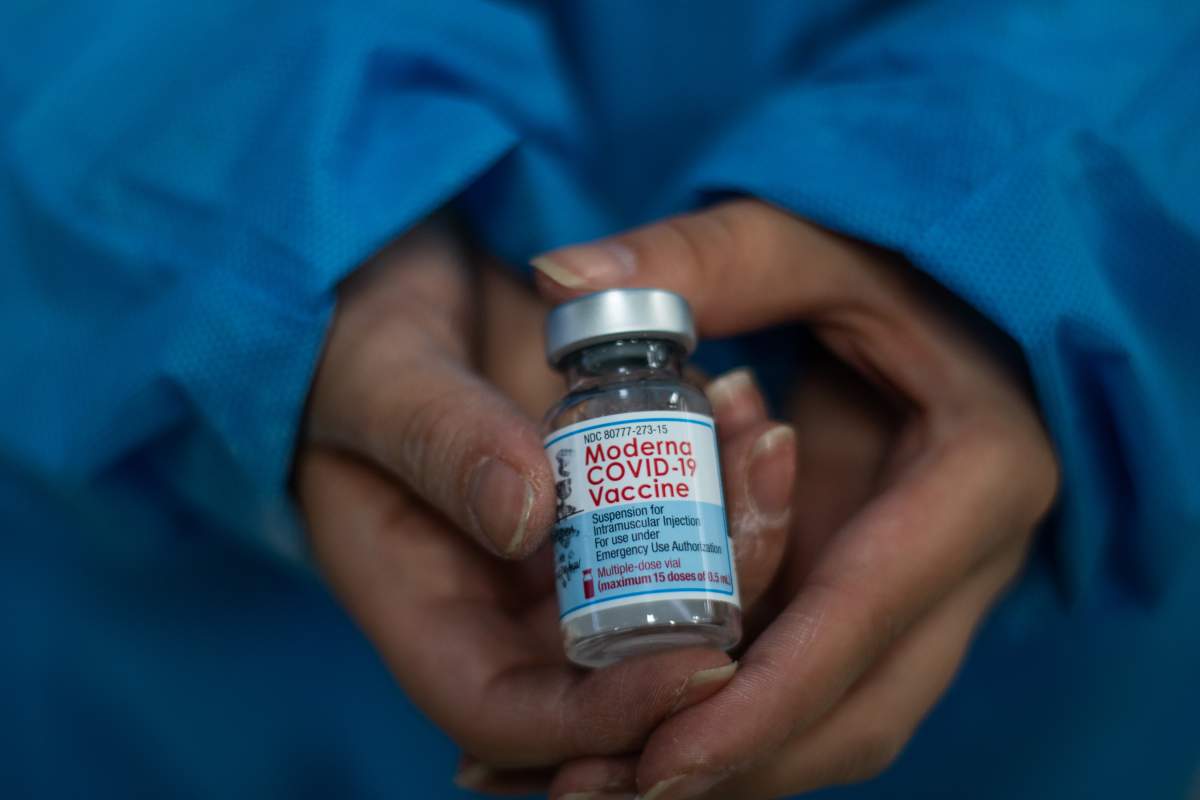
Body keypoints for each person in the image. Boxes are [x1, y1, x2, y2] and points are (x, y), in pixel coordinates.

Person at [1, 3, 1197, 799]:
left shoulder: (613, 411)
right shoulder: (596, 416)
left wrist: (1028, 231)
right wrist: (292, 232)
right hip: (183, 650)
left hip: (1033, 697)